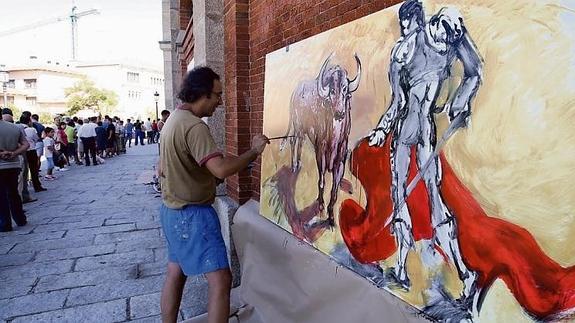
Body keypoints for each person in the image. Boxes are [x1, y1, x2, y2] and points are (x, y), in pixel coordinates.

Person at [368, 0, 482, 299]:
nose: (445, 47)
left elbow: (475, 71)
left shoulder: (454, 35)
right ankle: (403, 268)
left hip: (427, 132)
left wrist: (461, 102)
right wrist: (382, 128)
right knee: (400, 192)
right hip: (406, 133)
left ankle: (464, 273)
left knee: (434, 198)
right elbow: (398, 103)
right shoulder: (404, 52)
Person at [159, 66, 269, 323]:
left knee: (175, 272)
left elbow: (162, 168)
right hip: (193, 215)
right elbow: (220, 168)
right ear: (202, 94)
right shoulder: (194, 127)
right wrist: (254, 152)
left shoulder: (172, 120)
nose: (220, 102)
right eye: (217, 95)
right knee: (221, 280)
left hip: (171, 212)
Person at [0, 110, 29, 232]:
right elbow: (25, 144)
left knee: (1, 195)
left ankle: (5, 223)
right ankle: (20, 218)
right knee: (13, 192)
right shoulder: (15, 128)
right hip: (13, 164)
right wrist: (13, 153)